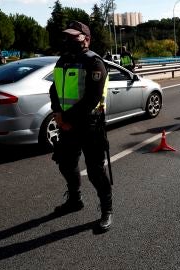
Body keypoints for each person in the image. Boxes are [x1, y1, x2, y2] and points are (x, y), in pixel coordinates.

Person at [49, 20, 113, 231]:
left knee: (95, 171)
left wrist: (67, 119)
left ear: (86, 38)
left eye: (75, 37)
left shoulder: (94, 62)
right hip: (67, 124)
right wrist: (58, 113)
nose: (69, 40)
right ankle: (75, 199)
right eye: (68, 36)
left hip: (90, 125)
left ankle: (106, 210)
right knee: (65, 163)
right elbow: (54, 88)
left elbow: (92, 98)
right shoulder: (63, 60)